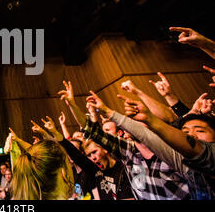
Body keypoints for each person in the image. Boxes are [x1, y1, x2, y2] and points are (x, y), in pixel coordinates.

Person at [59, 80, 191, 200]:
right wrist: (72, 105)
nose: (134, 124)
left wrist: (107, 110)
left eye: (140, 120)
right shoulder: (128, 151)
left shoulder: (170, 153)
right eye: (132, 121)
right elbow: (92, 131)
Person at [97, 93, 215, 199]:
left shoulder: (174, 157)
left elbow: (169, 125)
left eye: (200, 131)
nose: (191, 136)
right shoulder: (129, 151)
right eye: (185, 133)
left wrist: (111, 112)